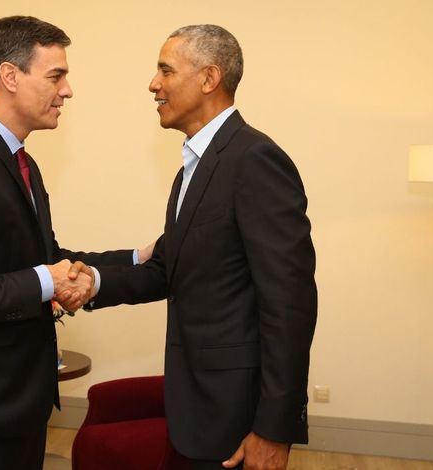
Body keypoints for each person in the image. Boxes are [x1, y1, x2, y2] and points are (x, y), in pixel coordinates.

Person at [76, 25, 317, 470]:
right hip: (194, 410)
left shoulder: (254, 160)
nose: (153, 84)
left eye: (165, 70)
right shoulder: (194, 166)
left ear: (209, 79)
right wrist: (92, 281)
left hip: (236, 416)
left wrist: (274, 427)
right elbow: (172, 268)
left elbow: (290, 304)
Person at [0, 16, 145, 470]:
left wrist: (138, 259)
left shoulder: (23, 163)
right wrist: (44, 281)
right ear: (10, 76)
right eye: (56, 75)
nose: (68, 90)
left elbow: (49, 261)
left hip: (20, 401)